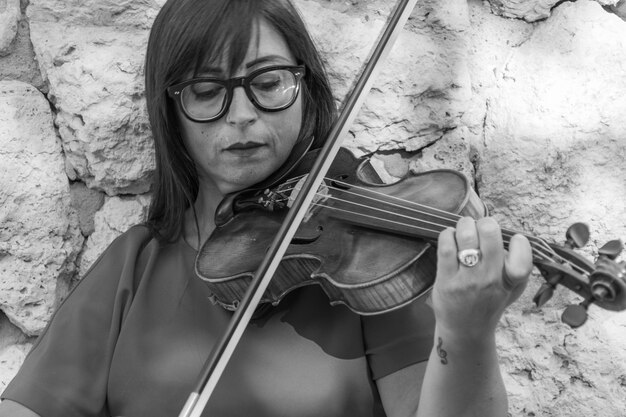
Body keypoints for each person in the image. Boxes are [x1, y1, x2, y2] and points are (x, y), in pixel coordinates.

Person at [0, 0, 533, 416]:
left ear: (305, 87)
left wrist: (467, 332)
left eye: (268, 81)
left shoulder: (368, 266)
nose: (241, 115)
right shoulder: (135, 265)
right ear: (172, 112)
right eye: (207, 90)